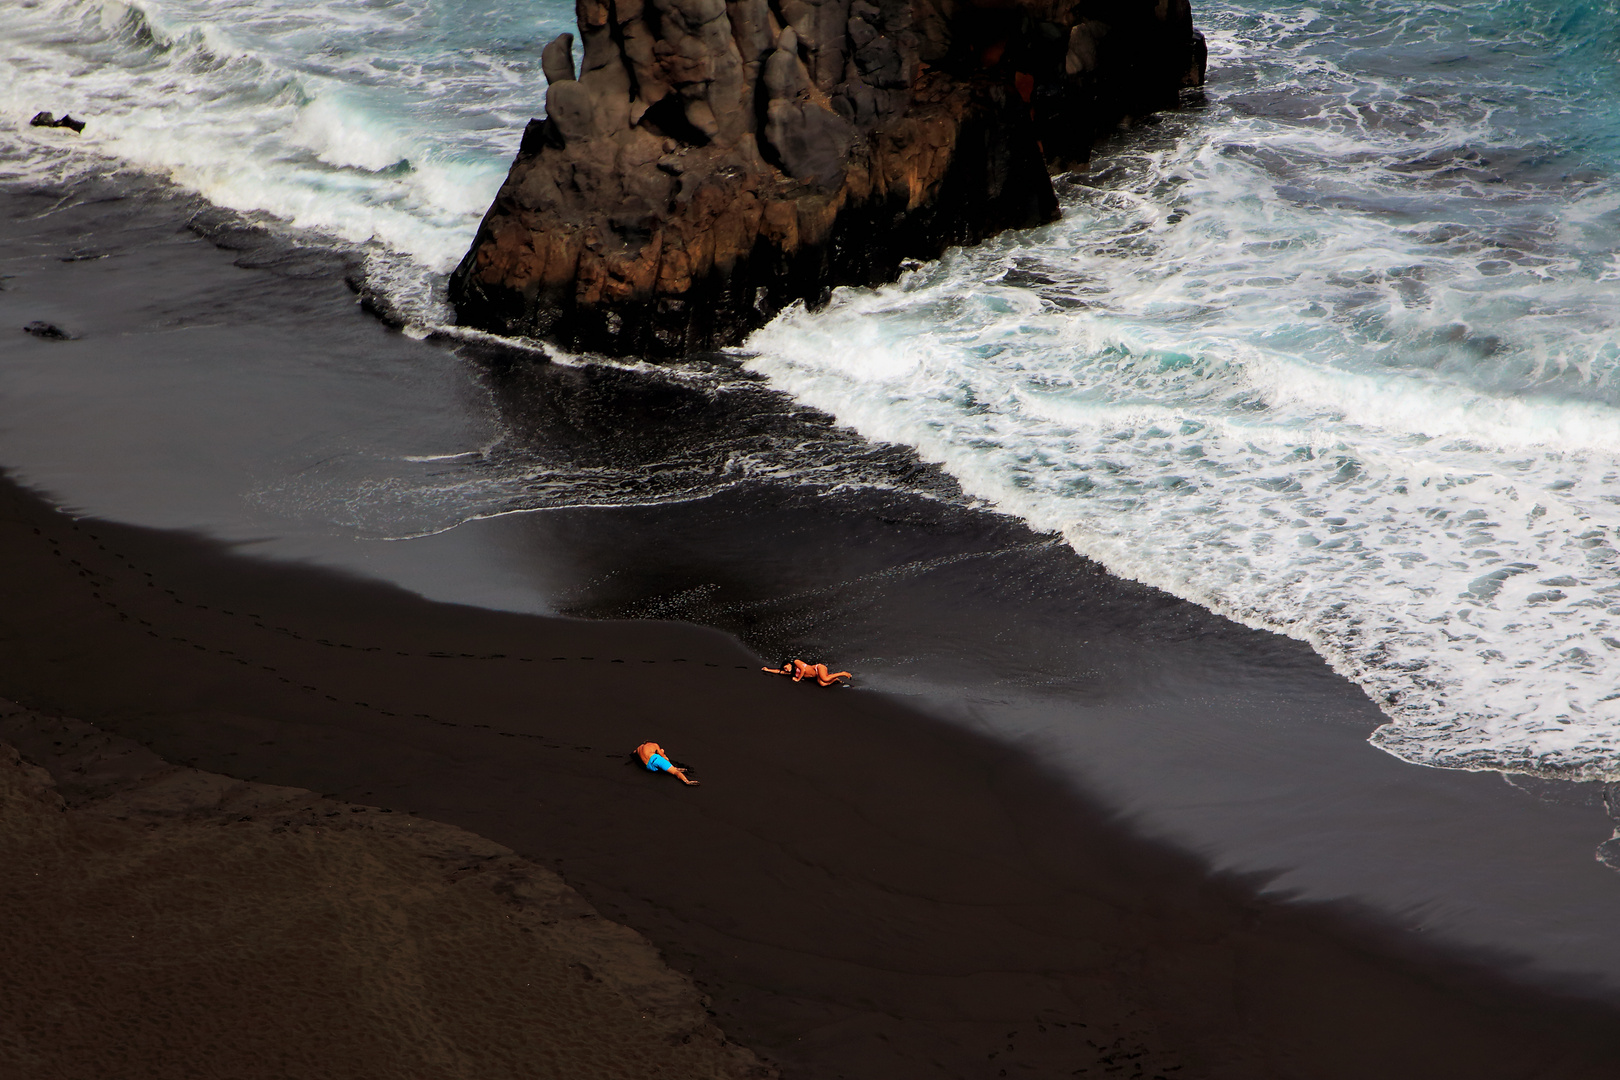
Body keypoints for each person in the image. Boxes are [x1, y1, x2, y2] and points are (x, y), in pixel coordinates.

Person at [635, 742, 700, 785]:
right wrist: (666, 757)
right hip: (656, 759)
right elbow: (662, 755)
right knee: (675, 772)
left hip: (648, 766)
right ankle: (686, 781)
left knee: (664, 767)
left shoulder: (638, 748)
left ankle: (673, 768)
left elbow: (633, 753)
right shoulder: (654, 745)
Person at [762, 659, 852, 686]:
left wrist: (798, 679)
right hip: (817, 675)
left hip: (818, 668)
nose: (786, 669)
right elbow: (779, 671)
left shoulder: (796, 662)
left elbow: (803, 670)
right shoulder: (791, 672)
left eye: (786, 667)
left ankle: (843, 673)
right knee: (822, 684)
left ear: (789, 664)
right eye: (785, 669)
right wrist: (768, 670)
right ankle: (835, 678)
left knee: (825, 678)